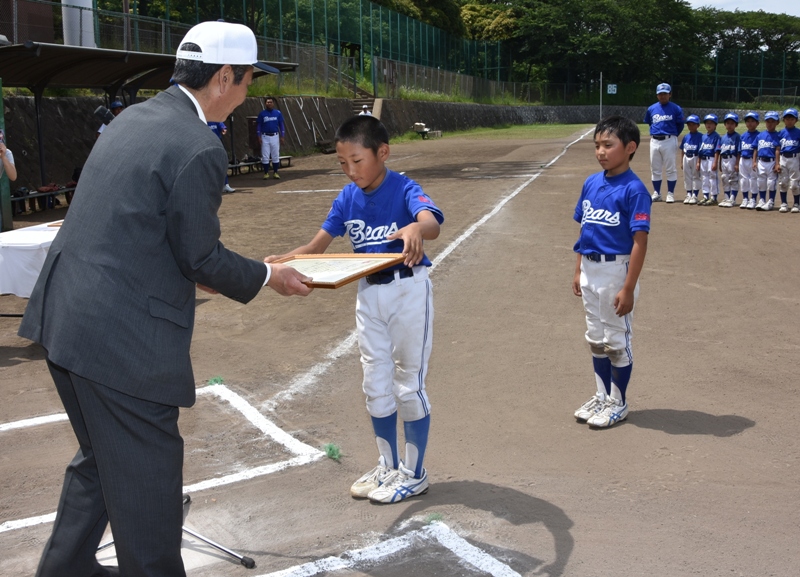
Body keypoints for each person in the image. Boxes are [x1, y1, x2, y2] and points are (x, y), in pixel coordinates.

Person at [18, 21, 311, 577]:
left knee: (102, 461)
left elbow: (147, 230)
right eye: (248, 79)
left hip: (66, 319)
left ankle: (67, 568)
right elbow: (199, 257)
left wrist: (227, 269)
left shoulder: (134, 118)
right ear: (223, 78)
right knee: (149, 488)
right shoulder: (198, 145)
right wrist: (268, 276)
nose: (248, 91)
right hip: (120, 343)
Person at [266, 115, 444, 503]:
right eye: (342, 163)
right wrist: (282, 263)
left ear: (383, 153)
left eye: (357, 161)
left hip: (408, 291)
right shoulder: (347, 197)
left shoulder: (404, 188)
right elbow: (316, 248)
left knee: (408, 384)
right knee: (375, 383)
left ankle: (414, 474)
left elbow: (430, 222)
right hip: (368, 294)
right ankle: (388, 465)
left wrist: (416, 228)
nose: (350, 170)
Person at [572, 115, 650, 429]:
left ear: (630, 147)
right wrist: (578, 270)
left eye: (608, 145)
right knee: (595, 338)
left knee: (615, 341)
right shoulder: (591, 183)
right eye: (597, 145)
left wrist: (628, 287)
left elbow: (640, 241)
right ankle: (602, 396)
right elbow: (584, 230)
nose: (601, 152)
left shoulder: (635, 190)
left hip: (615, 270)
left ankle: (619, 401)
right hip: (590, 268)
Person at [644, 83, 684, 203]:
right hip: (654, 140)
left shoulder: (676, 108)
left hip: (669, 140)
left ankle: (670, 193)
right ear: (657, 95)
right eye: (660, 94)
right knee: (655, 168)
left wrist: (673, 134)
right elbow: (650, 122)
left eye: (665, 94)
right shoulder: (651, 109)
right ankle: (657, 193)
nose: (662, 96)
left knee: (670, 168)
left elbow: (680, 125)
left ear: (670, 94)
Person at [753, 111, 781, 211]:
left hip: (772, 161)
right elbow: (755, 149)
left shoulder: (778, 135)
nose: (770, 124)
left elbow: (777, 150)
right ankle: (762, 200)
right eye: (768, 121)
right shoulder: (760, 135)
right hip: (761, 161)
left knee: (771, 183)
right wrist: (754, 161)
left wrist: (777, 163)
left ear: (777, 123)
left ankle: (771, 201)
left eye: (773, 121)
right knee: (761, 182)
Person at [776, 108, 800, 213]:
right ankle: (784, 203)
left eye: (792, 119)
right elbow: (777, 149)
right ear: (783, 120)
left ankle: (796, 203)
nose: (789, 121)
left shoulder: (798, 132)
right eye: (787, 119)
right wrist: (777, 163)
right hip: (783, 158)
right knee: (783, 182)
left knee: (794, 183)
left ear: (796, 120)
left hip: (795, 158)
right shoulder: (781, 133)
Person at [256, 96, 285, 179]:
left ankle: (275, 172)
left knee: (275, 154)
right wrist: (258, 136)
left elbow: (281, 125)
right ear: (265, 104)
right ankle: (266, 173)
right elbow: (259, 126)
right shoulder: (262, 114)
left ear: (273, 103)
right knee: (265, 155)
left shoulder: (278, 113)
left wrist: (282, 136)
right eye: (268, 102)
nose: (269, 103)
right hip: (265, 136)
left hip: (275, 136)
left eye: (271, 102)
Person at [696, 114, 721, 206]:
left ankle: (714, 197)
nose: (708, 125)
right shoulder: (703, 137)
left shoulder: (716, 136)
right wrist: (698, 162)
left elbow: (717, 151)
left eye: (711, 123)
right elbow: (700, 151)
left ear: (715, 125)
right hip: (703, 159)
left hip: (711, 159)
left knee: (713, 178)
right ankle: (705, 196)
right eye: (707, 123)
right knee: (704, 178)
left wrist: (715, 162)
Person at [718, 113, 741, 208]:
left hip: (732, 158)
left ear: (736, 125)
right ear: (725, 124)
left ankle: (732, 198)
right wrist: (720, 163)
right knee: (725, 178)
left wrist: (737, 163)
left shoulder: (737, 137)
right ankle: (726, 197)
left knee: (733, 179)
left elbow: (739, 152)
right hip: (724, 159)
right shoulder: (723, 137)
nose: (730, 125)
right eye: (728, 123)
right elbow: (720, 151)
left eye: (732, 123)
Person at [738, 112, 760, 210]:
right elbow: (739, 150)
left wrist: (755, 161)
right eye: (748, 121)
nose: (750, 123)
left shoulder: (759, 135)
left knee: (753, 179)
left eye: (752, 121)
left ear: (757, 123)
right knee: (743, 180)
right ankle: (745, 198)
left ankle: (753, 199)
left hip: (753, 159)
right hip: (743, 159)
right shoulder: (743, 136)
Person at [679, 114, 702, 204]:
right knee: (687, 176)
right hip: (686, 157)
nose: (691, 126)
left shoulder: (701, 136)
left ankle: (695, 195)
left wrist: (699, 162)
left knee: (696, 176)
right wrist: (681, 162)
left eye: (693, 124)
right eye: (689, 124)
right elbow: (682, 149)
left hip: (695, 156)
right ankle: (688, 194)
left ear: (698, 125)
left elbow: (701, 151)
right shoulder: (686, 136)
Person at [208, 120, 236, 193]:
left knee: (222, 163)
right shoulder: (201, 119)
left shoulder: (214, 118)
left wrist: (223, 129)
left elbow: (221, 125)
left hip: (218, 142)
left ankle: (225, 185)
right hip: (207, 144)